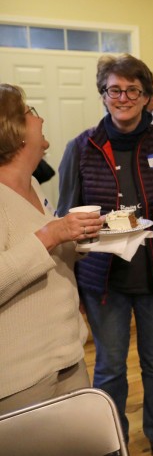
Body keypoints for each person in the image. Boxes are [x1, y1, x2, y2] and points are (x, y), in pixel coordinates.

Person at [57, 54, 153, 456]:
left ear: (146, 97)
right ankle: (111, 440)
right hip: (103, 280)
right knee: (110, 366)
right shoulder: (82, 148)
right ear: (103, 94)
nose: (123, 98)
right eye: (114, 90)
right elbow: (62, 214)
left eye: (132, 91)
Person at [0, 84, 101, 415]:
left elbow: (46, 254)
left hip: (69, 356)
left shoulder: (32, 184)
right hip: (21, 378)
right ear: (13, 130)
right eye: (30, 111)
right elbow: (40, 242)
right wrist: (50, 234)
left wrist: (76, 240)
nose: (39, 117)